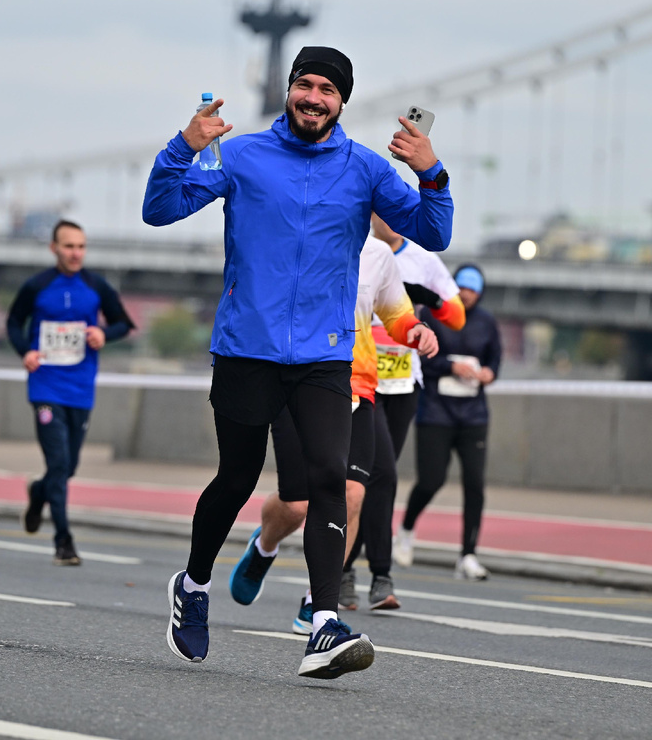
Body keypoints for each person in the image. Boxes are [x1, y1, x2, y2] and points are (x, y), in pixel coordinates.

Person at [143, 45, 453, 678]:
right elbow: (160, 209)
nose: (314, 98)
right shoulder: (243, 155)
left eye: (327, 90)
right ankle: (193, 585)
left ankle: (323, 624)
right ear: (290, 90)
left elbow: (434, 232)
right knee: (236, 477)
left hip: (324, 355)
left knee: (328, 481)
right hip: (246, 347)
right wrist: (183, 146)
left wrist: (433, 173)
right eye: (305, 85)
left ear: (342, 102)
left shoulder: (366, 169)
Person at [228, 234, 438, 629]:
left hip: (356, 384)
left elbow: (395, 313)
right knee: (297, 505)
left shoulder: (378, 255)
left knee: (352, 493)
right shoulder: (300, 238)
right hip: (297, 379)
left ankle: (317, 600)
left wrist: (415, 330)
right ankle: (265, 545)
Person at [348, 214, 466, 604]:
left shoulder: (423, 259)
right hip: (362, 380)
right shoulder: (357, 250)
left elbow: (457, 317)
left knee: (377, 478)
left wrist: (426, 297)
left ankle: (349, 570)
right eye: (385, 211)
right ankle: (376, 574)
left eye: (400, 210)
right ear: (370, 214)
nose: (394, 219)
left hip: (403, 384)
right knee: (379, 473)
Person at [6, 220, 135, 566]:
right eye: (68, 246)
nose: (76, 253)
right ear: (54, 249)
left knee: (68, 467)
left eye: (81, 246)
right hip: (45, 386)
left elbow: (124, 323)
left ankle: (38, 493)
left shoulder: (96, 286)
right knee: (59, 463)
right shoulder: (37, 286)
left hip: (80, 388)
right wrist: (25, 351)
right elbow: (13, 323)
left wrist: (104, 334)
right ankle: (64, 542)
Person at [396, 264, 501, 580]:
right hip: (436, 412)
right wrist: (450, 367)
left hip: (473, 415)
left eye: (473, 290)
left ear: (480, 293)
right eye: (462, 288)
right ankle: (406, 529)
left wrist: (488, 373)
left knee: (475, 484)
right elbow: (420, 358)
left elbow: (495, 360)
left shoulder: (486, 322)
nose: (467, 295)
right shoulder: (433, 313)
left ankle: (468, 555)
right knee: (431, 480)